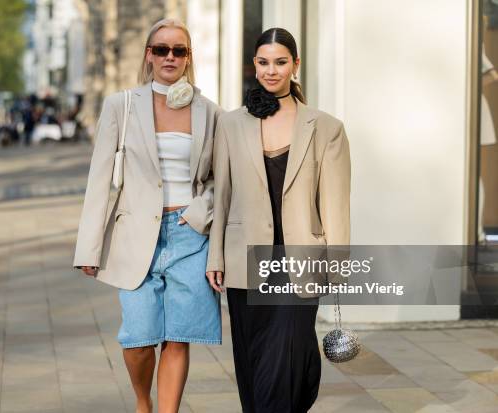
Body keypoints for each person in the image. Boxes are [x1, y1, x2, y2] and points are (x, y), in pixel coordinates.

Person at [73, 19, 222, 413]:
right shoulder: (121, 105)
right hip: (135, 235)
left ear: (189, 58)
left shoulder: (210, 112)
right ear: (149, 55)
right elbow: (100, 178)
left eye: (179, 50)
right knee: (138, 338)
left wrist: (198, 213)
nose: (170, 57)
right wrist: (88, 247)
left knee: (178, 336)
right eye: (162, 49)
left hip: (191, 235)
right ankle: (144, 402)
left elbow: (220, 181)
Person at [206, 28, 351, 412]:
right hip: (246, 258)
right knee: (254, 359)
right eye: (264, 62)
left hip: (300, 258)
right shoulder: (230, 124)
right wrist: (215, 256)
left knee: (289, 358)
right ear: (255, 65)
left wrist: (337, 261)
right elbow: (221, 195)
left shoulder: (326, 127)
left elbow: (335, 202)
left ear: (295, 65)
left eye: (281, 62)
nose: (272, 71)